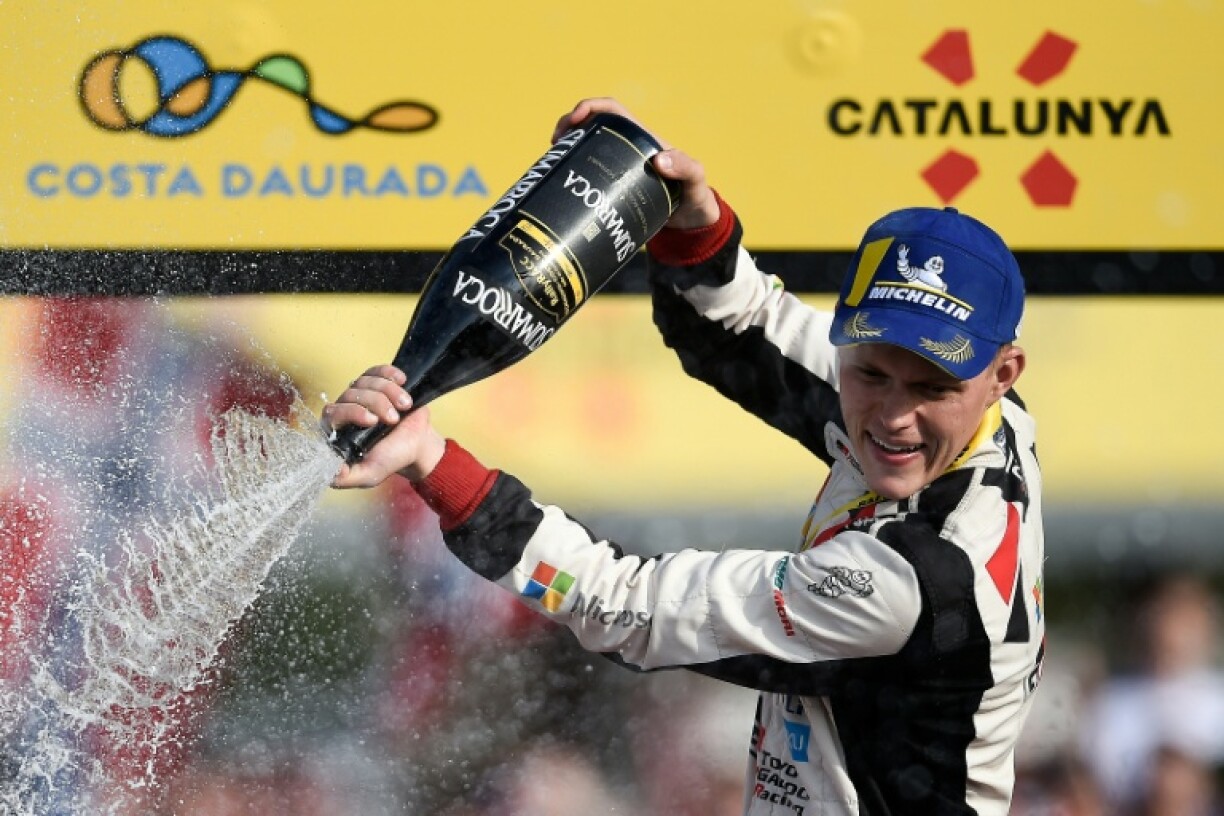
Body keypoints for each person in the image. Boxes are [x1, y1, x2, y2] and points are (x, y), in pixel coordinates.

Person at [323, 97, 1045, 816]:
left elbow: (624, 606)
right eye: (870, 375)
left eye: (930, 388)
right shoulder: (985, 418)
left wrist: (433, 462)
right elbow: (748, 329)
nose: (892, 417)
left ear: (1002, 374)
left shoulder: (909, 579)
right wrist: (681, 216)